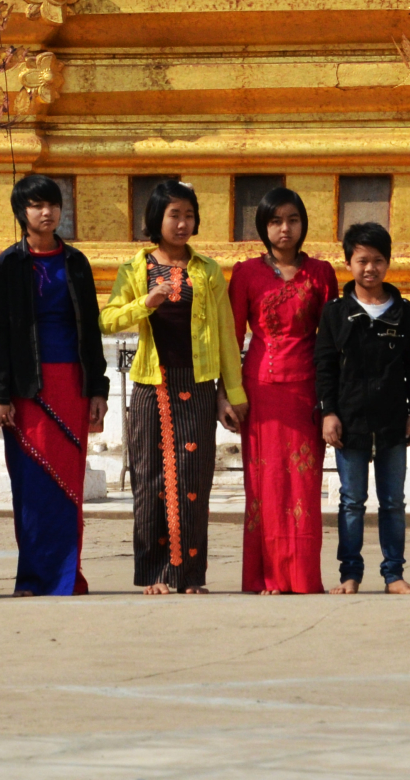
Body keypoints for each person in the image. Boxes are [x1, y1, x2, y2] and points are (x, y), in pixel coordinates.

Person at [102, 180, 246, 594]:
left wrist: (231, 394)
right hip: (152, 385)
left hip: (199, 386)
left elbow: (226, 335)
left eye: (188, 215)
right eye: (174, 215)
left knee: (194, 481)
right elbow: (107, 320)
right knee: (149, 480)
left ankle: (188, 576)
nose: (182, 224)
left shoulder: (207, 270)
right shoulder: (136, 268)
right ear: (157, 219)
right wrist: (144, 303)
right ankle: (154, 575)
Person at [0, 174, 109, 596]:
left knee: (67, 485)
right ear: (21, 213)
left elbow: (90, 329)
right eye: (37, 205)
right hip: (27, 387)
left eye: (52, 204)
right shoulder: (8, 264)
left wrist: (99, 388)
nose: (46, 212)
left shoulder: (76, 262)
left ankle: (66, 576)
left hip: (70, 382)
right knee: (32, 485)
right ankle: (33, 577)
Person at [230, 186, 337, 595]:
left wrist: (331, 401)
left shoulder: (322, 273)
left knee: (303, 487)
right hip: (259, 391)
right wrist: (228, 394)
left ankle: (303, 576)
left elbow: (330, 340)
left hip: (307, 390)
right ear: (263, 227)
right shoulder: (245, 274)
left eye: (292, 220)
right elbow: (231, 337)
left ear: (303, 224)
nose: (285, 229)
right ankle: (266, 576)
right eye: (275, 221)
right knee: (265, 485)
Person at [317, 222, 410, 594]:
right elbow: (325, 367)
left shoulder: (404, 313)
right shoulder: (335, 313)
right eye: (362, 260)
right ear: (348, 263)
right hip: (349, 424)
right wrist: (328, 412)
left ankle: (393, 575)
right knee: (351, 502)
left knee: (394, 502)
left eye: (378, 260)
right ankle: (350, 574)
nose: (370, 268)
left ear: (388, 262)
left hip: (393, 422)